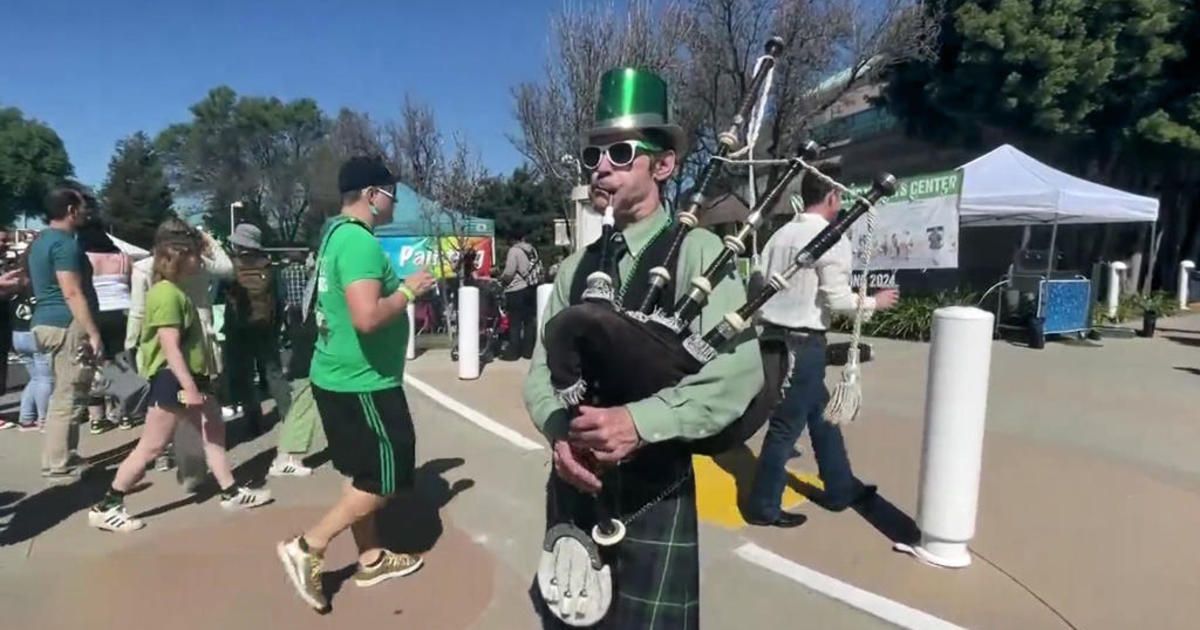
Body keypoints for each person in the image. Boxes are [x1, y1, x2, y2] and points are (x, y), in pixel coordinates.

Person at [523, 68, 763, 628]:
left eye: (621, 151)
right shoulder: (575, 267)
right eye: (594, 154)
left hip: (657, 490)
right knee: (570, 617)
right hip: (573, 486)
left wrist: (638, 421)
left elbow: (737, 371)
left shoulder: (702, 253)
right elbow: (541, 370)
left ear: (664, 164)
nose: (601, 165)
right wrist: (559, 433)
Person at [276, 155, 436, 612]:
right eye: (391, 194)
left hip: (337, 377)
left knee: (363, 473)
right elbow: (367, 318)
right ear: (371, 195)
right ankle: (309, 546)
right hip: (365, 382)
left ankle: (371, 558)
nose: (394, 201)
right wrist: (408, 291)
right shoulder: (361, 244)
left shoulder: (333, 237)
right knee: (389, 474)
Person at [87, 227, 272, 532]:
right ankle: (107, 504)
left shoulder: (175, 291)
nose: (201, 261)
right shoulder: (166, 295)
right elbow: (169, 347)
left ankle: (231, 491)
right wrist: (188, 386)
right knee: (152, 446)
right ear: (180, 258)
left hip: (190, 377)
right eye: (196, 256)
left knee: (214, 435)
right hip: (174, 379)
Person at [745, 171, 900, 527]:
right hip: (803, 344)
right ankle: (762, 507)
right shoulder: (830, 238)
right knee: (786, 428)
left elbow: (756, 283)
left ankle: (839, 488)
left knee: (823, 418)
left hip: (773, 338)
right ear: (832, 196)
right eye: (840, 197)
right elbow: (838, 299)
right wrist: (875, 303)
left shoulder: (780, 235)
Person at [127, 220, 234, 468]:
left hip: (161, 344)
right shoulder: (199, 264)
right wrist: (209, 238)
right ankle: (188, 458)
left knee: (166, 402)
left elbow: (137, 312)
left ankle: (171, 453)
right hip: (197, 341)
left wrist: (132, 344)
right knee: (193, 403)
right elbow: (228, 268)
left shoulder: (144, 267)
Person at [27, 187, 103, 479]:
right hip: (66, 322)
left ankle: (62, 454)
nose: (85, 213)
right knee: (69, 394)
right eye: (82, 207)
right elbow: (72, 292)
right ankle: (59, 462)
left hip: (45, 321)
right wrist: (92, 332)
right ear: (71, 210)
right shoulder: (65, 245)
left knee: (64, 390)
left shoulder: (41, 242)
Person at [224, 223, 290, 435]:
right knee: (274, 372)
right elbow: (279, 300)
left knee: (244, 375)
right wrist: (277, 325)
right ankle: (288, 416)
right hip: (265, 328)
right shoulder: (269, 266)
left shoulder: (231, 267)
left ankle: (253, 421)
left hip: (238, 328)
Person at [78, 217, 132, 434]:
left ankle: (97, 419)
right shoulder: (123, 257)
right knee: (123, 366)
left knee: (96, 367)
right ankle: (125, 414)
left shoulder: (84, 258)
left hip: (95, 314)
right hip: (121, 312)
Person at [499, 233, 541, 360]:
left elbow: (510, 271)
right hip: (531, 288)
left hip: (516, 289)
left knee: (515, 323)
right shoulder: (532, 250)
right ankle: (528, 352)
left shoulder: (514, 251)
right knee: (528, 322)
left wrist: (502, 279)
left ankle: (514, 353)